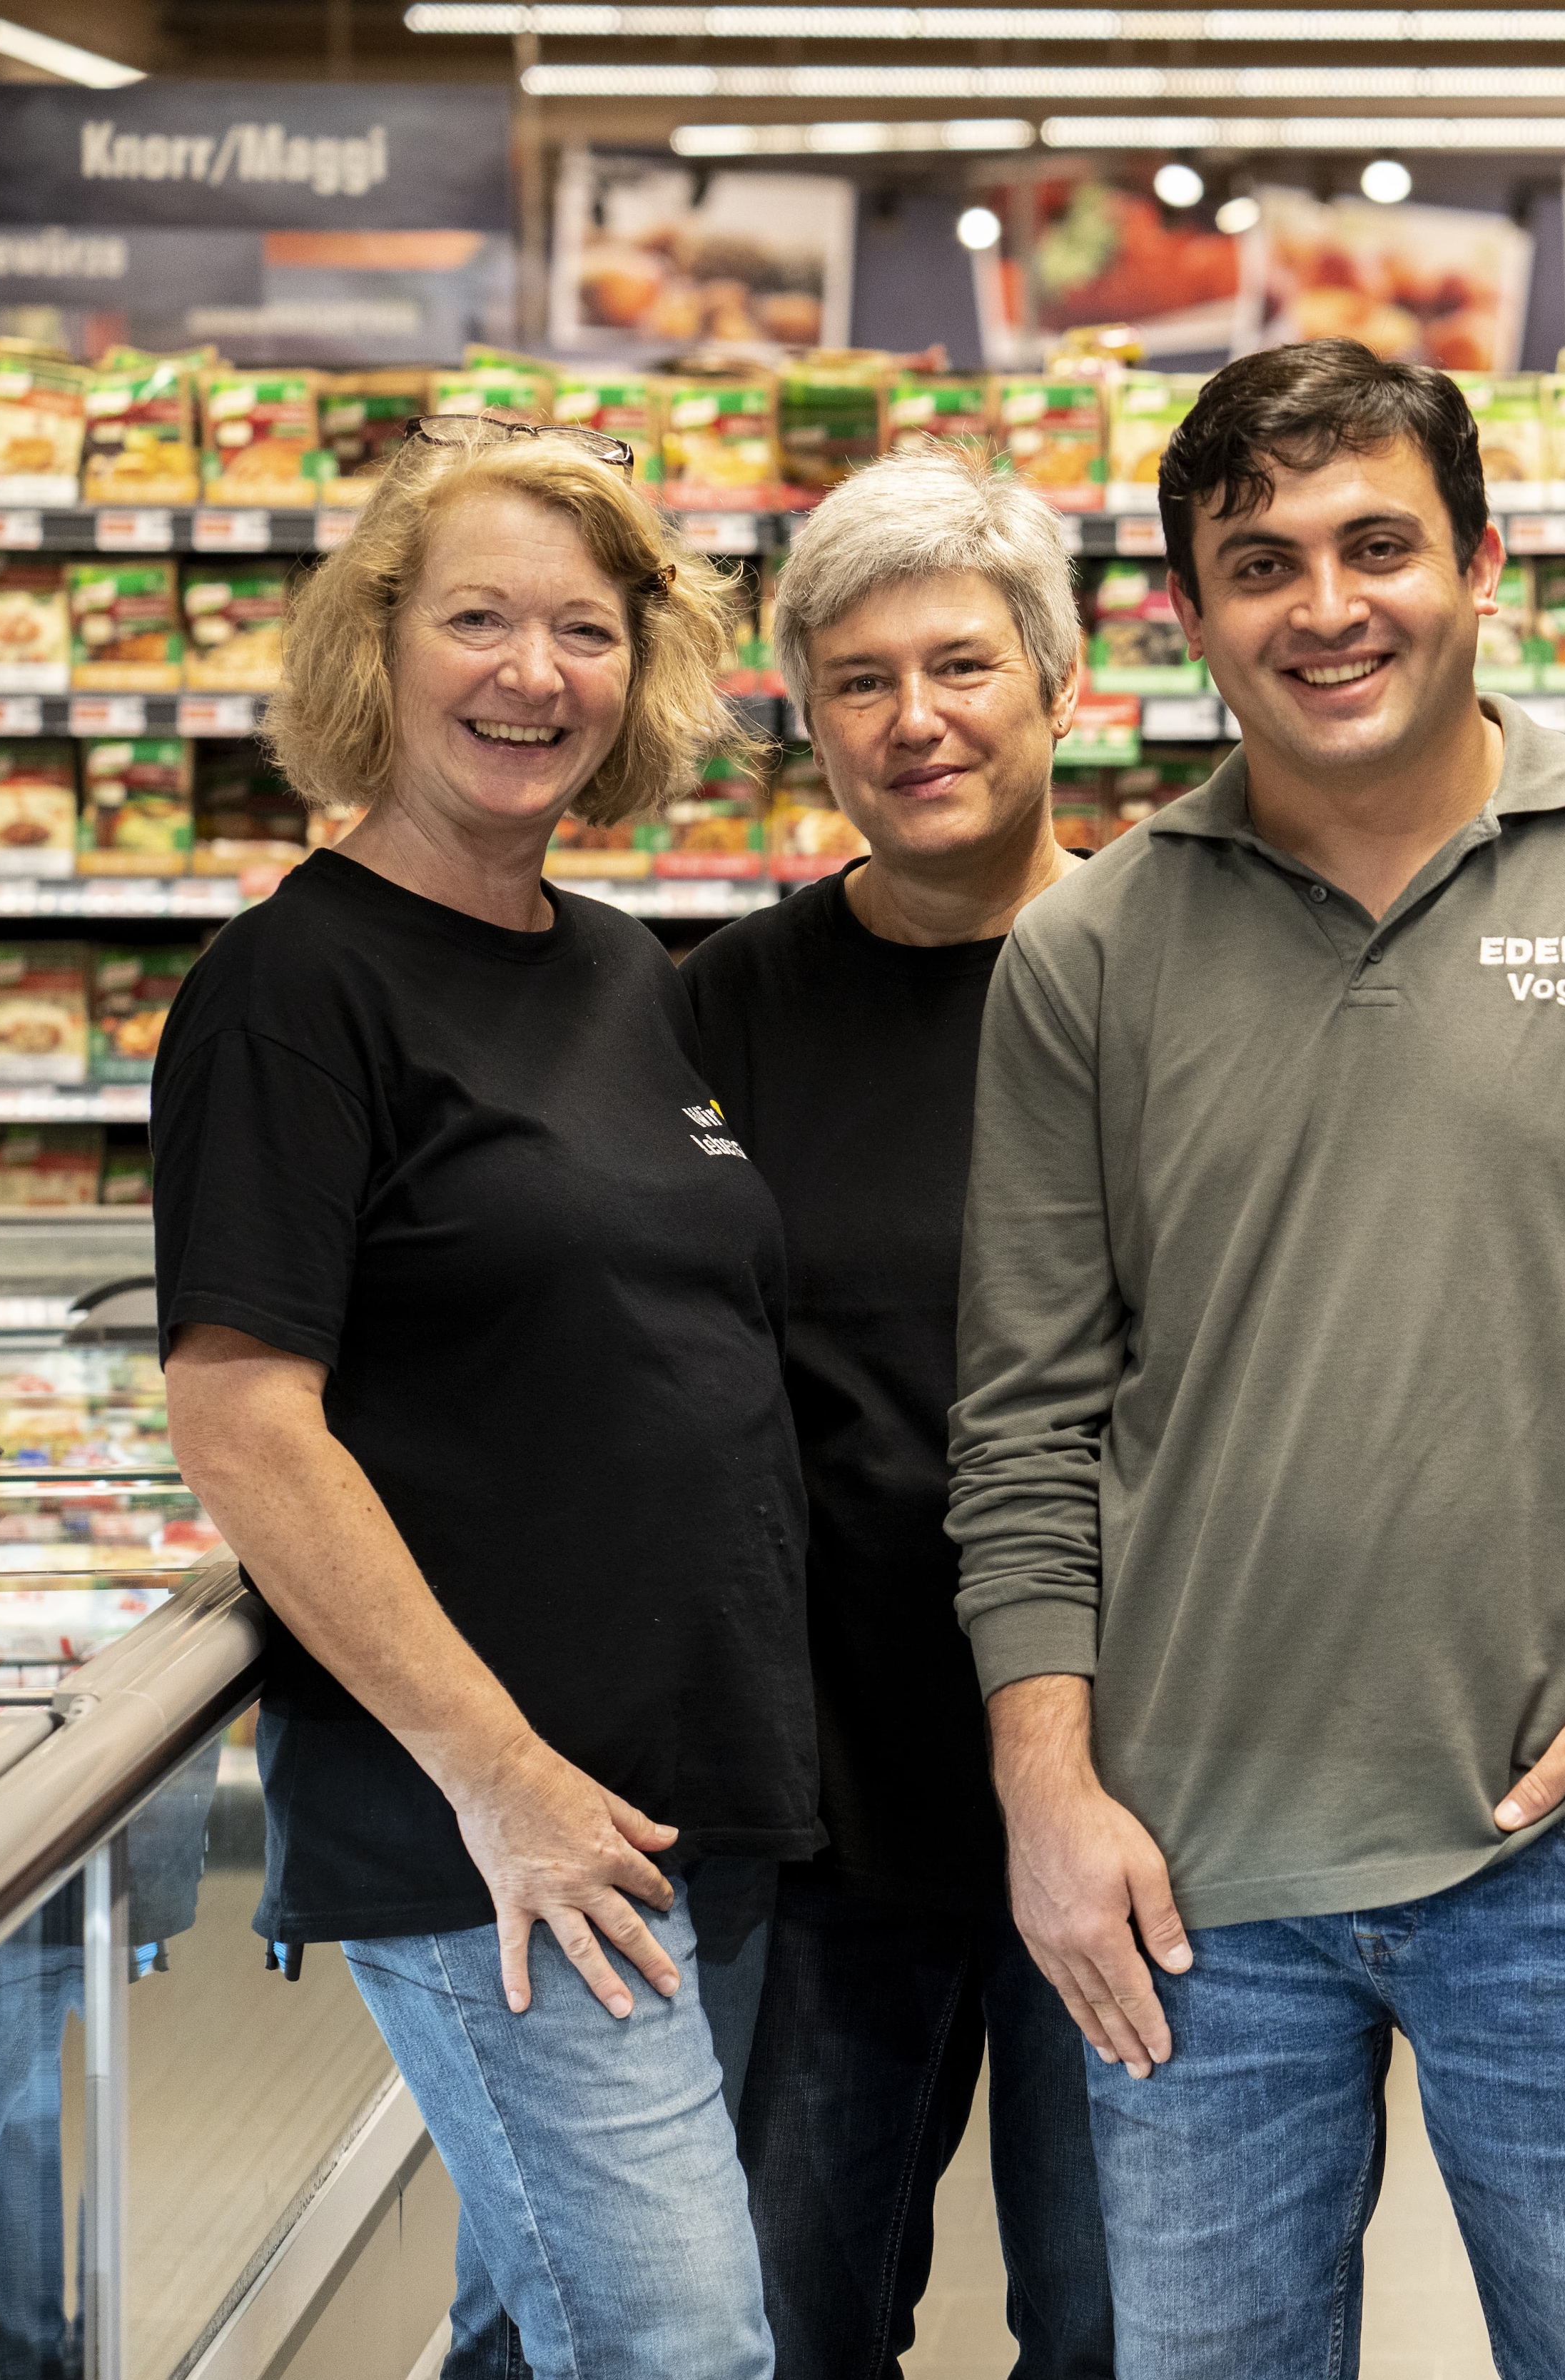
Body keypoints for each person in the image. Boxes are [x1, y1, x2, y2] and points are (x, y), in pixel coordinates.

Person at [947, 339, 1565, 2378]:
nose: (1326, 608)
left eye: (1377, 545)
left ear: (1484, 564)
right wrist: (1050, 1788)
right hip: (1192, 1875)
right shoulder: (1087, 953)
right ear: (1185, 613)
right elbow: (1025, 1423)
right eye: (1262, 563)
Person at [153, 415, 806, 2380]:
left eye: (585, 631)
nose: (534, 676)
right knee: (677, 2344)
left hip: (698, 1791)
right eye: (480, 622)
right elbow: (249, 1417)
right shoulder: (292, 986)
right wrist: (501, 1779)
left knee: (550, 2325)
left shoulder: (622, 969)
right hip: (508, 1825)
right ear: (379, 648)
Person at [683, 442, 1113, 2380]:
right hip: (823, 1810)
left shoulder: (1179, 975)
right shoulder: (713, 1011)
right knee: (790, 2319)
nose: (912, 722)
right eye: (857, 682)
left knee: (1123, 2329)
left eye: (959, 666)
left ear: (1059, 682)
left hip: (1141, 1801)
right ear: (803, 718)